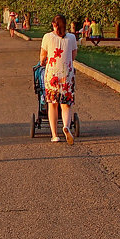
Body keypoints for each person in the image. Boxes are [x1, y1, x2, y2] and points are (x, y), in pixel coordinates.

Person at [39, 14, 78, 144]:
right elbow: (73, 56)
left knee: (52, 104)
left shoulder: (47, 37)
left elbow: (43, 57)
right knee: (66, 104)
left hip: (52, 76)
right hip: (66, 75)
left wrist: (43, 62)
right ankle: (66, 126)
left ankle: (55, 135)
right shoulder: (72, 37)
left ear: (54, 25)